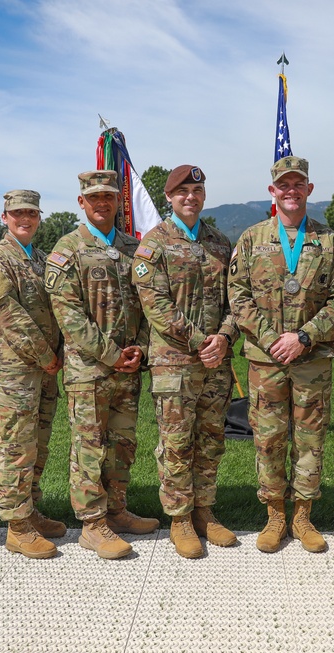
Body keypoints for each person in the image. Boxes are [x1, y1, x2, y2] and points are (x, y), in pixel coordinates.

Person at [229, 156, 334, 554]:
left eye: (298, 184)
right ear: (272, 192)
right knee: (268, 439)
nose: (291, 190)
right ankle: (274, 516)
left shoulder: (329, 241)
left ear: (309, 190)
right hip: (266, 361)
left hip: (311, 359)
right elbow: (238, 296)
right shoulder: (251, 239)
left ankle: (302, 515)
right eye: (284, 185)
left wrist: (303, 336)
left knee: (310, 439)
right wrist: (272, 340)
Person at [46, 170, 154, 560]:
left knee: (122, 445)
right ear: (82, 202)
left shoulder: (133, 246)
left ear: (118, 201)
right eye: (94, 197)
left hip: (128, 368)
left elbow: (147, 303)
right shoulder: (67, 248)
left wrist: (140, 348)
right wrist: (112, 354)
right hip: (89, 371)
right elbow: (69, 315)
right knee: (90, 447)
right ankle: (92, 525)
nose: (102, 203)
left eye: (109, 196)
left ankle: (118, 511)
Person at [131, 165, 238, 559]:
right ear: (170, 198)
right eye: (182, 191)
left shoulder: (220, 243)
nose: (191, 196)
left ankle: (205, 513)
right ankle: (179, 518)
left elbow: (236, 301)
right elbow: (155, 305)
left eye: (197, 189)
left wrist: (224, 337)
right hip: (173, 363)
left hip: (216, 363)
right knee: (176, 444)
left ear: (204, 195)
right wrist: (200, 341)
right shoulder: (153, 245)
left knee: (210, 440)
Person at [0, 190, 66, 560]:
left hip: (44, 370)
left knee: (38, 444)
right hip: (11, 372)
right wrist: (46, 355)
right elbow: (7, 314)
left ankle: (31, 510)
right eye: (17, 213)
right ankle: (17, 527)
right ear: (3, 217)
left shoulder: (41, 259)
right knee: (15, 447)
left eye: (31, 212)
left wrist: (56, 356)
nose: (24, 218)